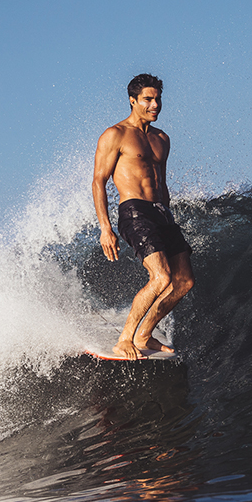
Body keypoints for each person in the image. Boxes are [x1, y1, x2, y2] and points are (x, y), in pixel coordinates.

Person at [92, 73, 195, 360]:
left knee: (184, 281)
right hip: (134, 211)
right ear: (133, 101)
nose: (155, 104)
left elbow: (161, 182)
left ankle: (144, 334)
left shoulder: (162, 139)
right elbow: (98, 180)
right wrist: (105, 227)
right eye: (148, 99)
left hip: (162, 213)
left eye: (158, 99)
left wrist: (169, 217)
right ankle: (124, 339)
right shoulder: (115, 134)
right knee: (161, 277)